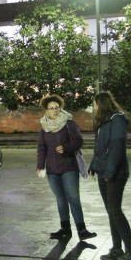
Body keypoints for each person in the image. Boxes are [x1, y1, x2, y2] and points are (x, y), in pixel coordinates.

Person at [36, 95, 96, 242]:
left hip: (69, 166)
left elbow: (79, 141)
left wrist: (66, 147)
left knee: (73, 198)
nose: (55, 110)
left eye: (57, 107)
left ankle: (82, 230)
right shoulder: (44, 127)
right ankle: (65, 229)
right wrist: (40, 165)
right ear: (47, 111)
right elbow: (42, 147)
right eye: (51, 108)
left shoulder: (69, 123)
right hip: (52, 169)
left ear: (60, 108)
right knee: (60, 199)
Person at [89, 91, 131, 260]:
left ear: (100, 104)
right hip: (104, 171)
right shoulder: (104, 121)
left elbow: (116, 146)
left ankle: (130, 251)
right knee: (111, 211)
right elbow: (100, 147)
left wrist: (109, 171)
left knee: (115, 210)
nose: (93, 108)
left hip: (116, 173)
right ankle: (117, 249)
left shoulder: (117, 119)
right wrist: (94, 166)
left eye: (94, 104)